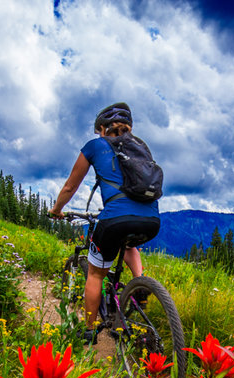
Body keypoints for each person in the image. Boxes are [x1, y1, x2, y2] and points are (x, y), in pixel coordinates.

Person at [49, 102, 160, 343]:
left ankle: (89, 330)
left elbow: (70, 186)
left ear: (102, 128)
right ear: (129, 128)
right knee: (129, 245)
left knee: (96, 275)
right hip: (152, 219)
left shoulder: (95, 145)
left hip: (115, 218)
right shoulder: (141, 146)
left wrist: (57, 210)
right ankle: (139, 283)